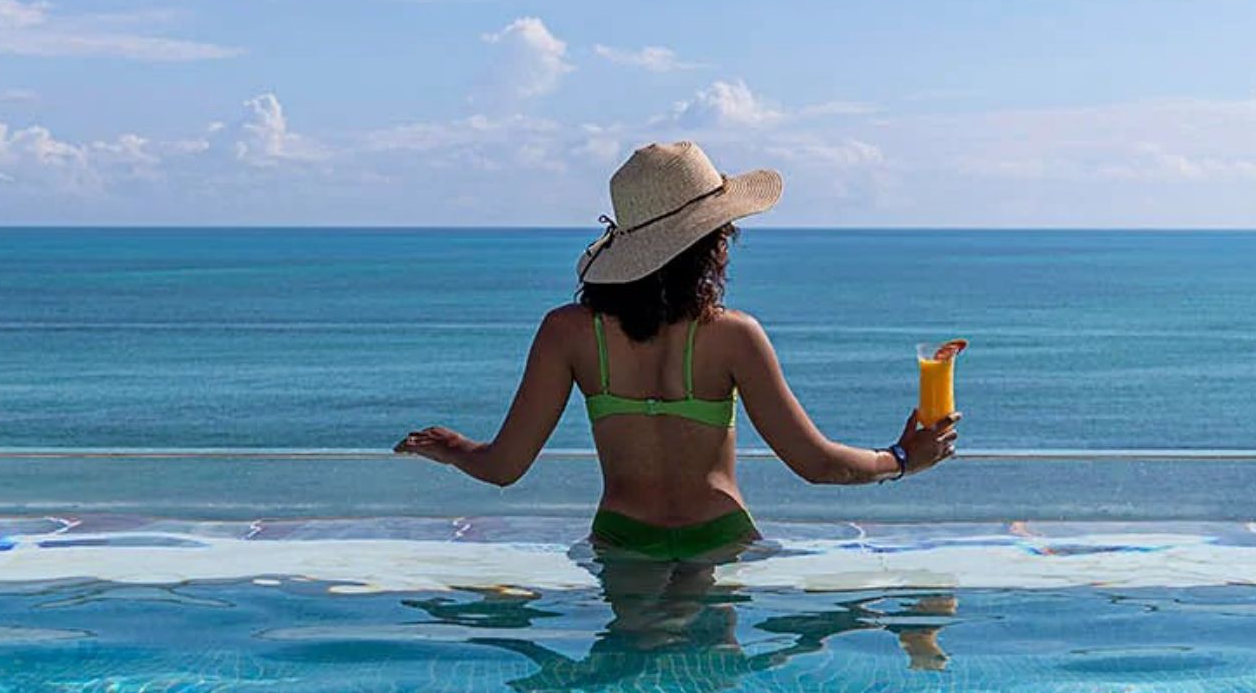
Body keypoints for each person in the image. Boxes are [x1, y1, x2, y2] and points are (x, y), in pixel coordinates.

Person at [395, 141, 958, 559]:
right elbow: (817, 464)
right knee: (709, 682)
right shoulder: (733, 336)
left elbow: (504, 467)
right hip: (719, 537)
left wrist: (452, 447)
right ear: (709, 246)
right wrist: (903, 459)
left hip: (622, 538)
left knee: (625, 679)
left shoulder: (568, 332)